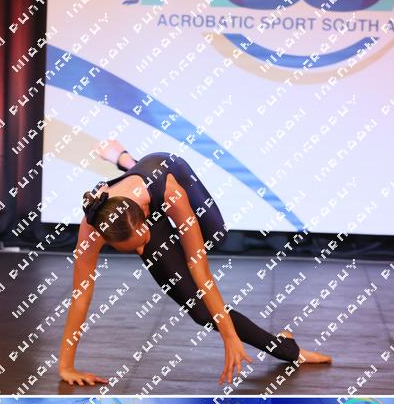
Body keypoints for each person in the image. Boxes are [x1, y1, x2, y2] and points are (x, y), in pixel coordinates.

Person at [58, 140, 332, 387]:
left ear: (144, 217)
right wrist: (66, 367)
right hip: (136, 199)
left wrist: (229, 336)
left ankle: (128, 162)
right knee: (201, 312)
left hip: (168, 171)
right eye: (133, 250)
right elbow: (81, 295)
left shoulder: (172, 194)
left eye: (141, 242)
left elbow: (201, 271)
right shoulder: (92, 228)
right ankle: (287, 348)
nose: (142, 251)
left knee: (215, 236)